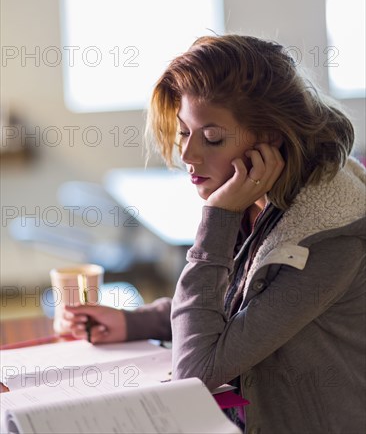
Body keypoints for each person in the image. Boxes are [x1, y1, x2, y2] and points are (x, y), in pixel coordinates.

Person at [64, 35, 366, 434]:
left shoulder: (328, 239)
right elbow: (239, 304)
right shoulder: (271, 199)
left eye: (212, 138)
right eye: (184, 133)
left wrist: (218, 216)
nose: (188, 156)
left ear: (270, 136)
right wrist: (137, 322)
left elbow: (195, 372)